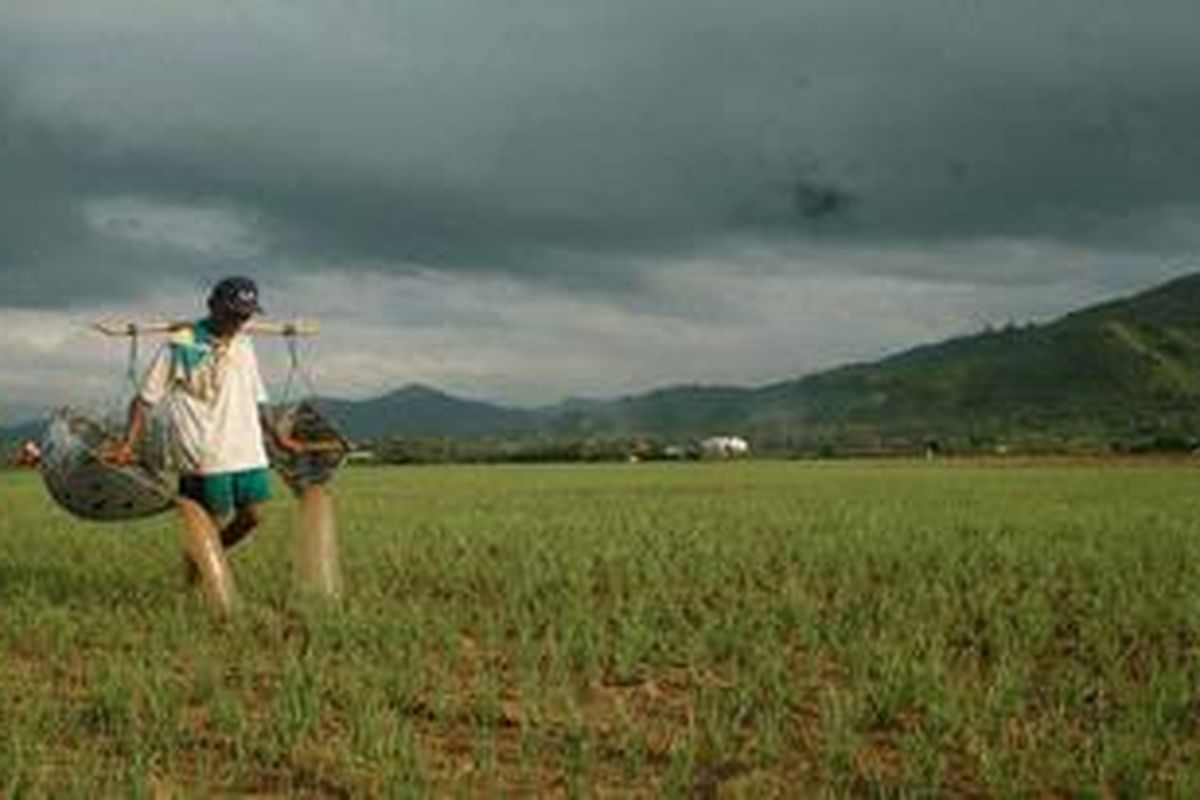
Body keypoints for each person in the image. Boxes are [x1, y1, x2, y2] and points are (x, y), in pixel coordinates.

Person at [104, 276, 305, 615]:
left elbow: (258, 397)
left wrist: (276, 435)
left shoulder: (244, 342)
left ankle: (204, 555)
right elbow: (144, 400)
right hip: (205, 449)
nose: (240, 322)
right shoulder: (181, 344)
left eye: (246, 315)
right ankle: (195, 587)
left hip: (247, 448)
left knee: (254, 515)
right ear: (212, 305)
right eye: (233, 314)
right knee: (211, 519)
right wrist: (128, 444)